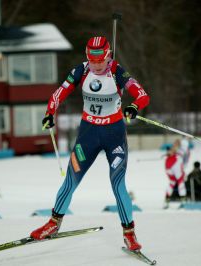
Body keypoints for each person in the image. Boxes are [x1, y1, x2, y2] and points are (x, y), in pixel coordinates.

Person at [29, 36, 150, 251]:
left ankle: (129, 234)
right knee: (71, 179)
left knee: (118, 183)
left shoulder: (117, 71)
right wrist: (49, 113)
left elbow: (141, 94)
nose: (96, 65)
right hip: (88, 136)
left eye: (100, 61)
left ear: (107, 55)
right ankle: (53, 224)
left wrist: (133, 107)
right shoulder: (81, 71)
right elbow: (59, 92)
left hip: (114, 136)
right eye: (92, 61)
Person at [163, 140, 186, 208]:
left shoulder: (178, 150)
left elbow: (171, 151)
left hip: (168, 165)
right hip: (174, 164)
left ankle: (166, 201)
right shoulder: (177, 149)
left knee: (172, 182)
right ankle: (183, 201)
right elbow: (172, 151)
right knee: (180, 181)